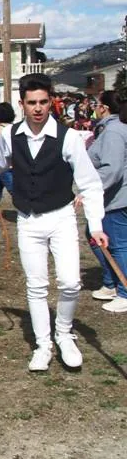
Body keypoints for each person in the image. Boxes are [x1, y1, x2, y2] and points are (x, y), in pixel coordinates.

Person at [0, 73, 105, 372]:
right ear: (22, 104)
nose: (37, 108)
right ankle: (43, 343)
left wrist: (96, 226)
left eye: (43, 102)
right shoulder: (10, 136)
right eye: (31, 103)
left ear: (51, 103)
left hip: (61, 218)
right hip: (28, 221)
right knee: (36, 285)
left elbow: (90, 185)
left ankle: (64, 332)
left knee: (71, 282)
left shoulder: (69, 138)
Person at [85, 91, 127, 312]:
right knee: (94, 235)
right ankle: (112, 282)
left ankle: (124, 291)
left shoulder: (113, 132)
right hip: (116, 196)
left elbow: (112, 169)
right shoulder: (112, 129)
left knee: (117, 244)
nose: (94, 108)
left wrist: (89, 191)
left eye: (96, 104)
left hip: (117, 198)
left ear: (105, 108)